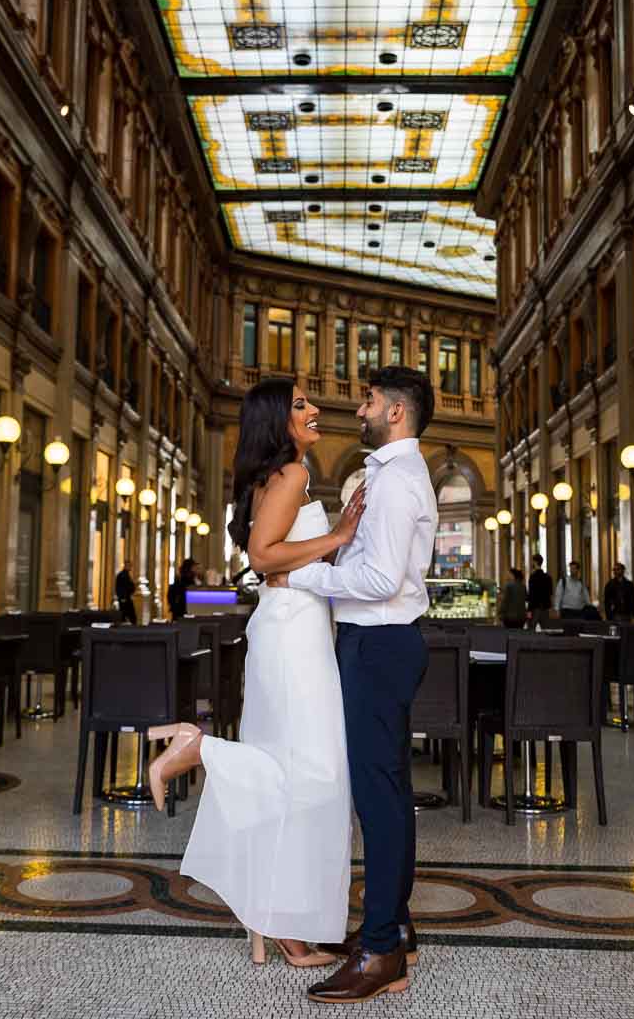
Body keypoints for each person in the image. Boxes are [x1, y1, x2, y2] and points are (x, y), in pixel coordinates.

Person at [145, 378, 365, 970]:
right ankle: (196, 748)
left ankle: (279, 920)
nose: (315, 409)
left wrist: (330, 544)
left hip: (293, 628)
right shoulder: (290, 475)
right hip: (293, 633)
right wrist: (340, 535)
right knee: (315, 776)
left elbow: (271, 554)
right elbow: (264, 558)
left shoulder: (278, 475)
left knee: (293, 774)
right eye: (300, 405)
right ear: (278, 420)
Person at [269, 365, 437, 1004]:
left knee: (379, 797)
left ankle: (381, 953)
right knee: (387, 792)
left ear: (395, 411)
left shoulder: (395, 482)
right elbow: (366, 566)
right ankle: (394, 929)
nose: (358, 407)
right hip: (381, 644)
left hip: (378, 644)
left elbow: (378, 583)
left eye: (368, 399)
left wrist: (299, 579)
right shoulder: (390, 475)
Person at [528, 553, 554, 627]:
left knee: (531, 631)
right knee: (546, 630)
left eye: (532, 561)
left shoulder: (533, 577)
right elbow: (550, 593)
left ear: (535, 562)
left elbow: (531, 594)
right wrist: (551, 608)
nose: (531, 563)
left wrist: (529, 610)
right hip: (545, 608)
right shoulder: (548, 577)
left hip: (535, 607)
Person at [115, 560, 137, 624]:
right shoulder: (122, 575)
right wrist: (122, 598)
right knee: (127, 614)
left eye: (130, 565)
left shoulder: (126, 574)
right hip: (124, 598)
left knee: (128, 614)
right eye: (128, 565)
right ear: (125, 566)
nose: (130, 567)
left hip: (126, 597)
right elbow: (121, 588)